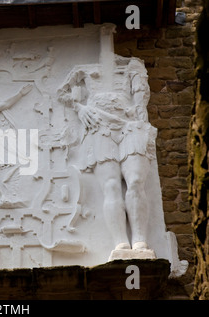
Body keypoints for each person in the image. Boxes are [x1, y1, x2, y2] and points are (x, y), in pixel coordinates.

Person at [59, 58, 156, 253]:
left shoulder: (132, 65)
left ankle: (140, 240)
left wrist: (142, 122)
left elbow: (141, 95)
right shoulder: (83, 67)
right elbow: (61, 92)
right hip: (98, 126)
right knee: (111, 185)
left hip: (130, 124)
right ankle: (121, 243)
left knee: (136, 180)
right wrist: (80, 108)